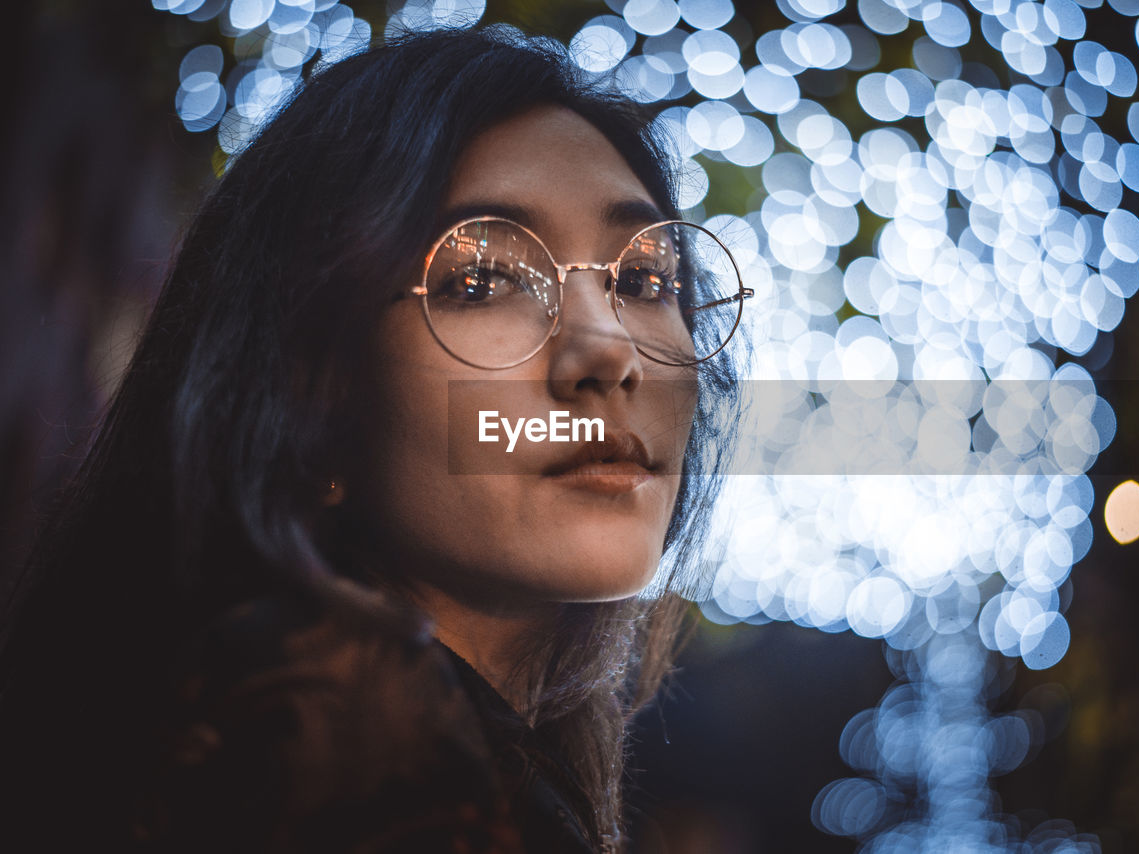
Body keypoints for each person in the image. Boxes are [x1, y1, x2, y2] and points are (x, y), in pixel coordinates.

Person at [0, 26, 747, 852]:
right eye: (481, 280)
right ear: (312, 388)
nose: (608, 348)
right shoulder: (329, 733)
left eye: (645, 281)